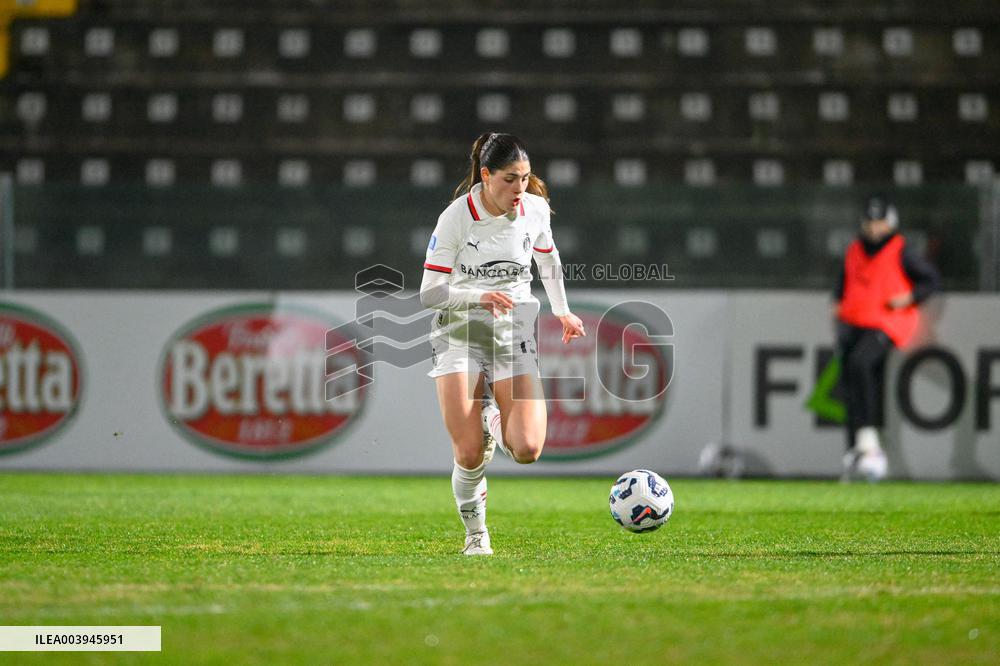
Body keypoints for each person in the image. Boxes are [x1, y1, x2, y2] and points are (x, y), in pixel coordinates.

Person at [419, 132, 586, 555]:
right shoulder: (456, 217)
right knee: (470, 451)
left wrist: (563, 311)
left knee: (527, 449)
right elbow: (429, 292)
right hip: (459, 329)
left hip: (513, 330)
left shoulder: (535, 210)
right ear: (486, 174)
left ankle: (491, 414)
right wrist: (479, 296)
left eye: (526, 179)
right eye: (511, 179)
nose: (520, 189)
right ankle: (477, 536)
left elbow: (548, 259)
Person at [833, 194, 940, 481]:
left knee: (860, 364)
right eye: (870, 221)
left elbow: (930, 280)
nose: (874, 228)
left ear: (890, 223)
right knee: (850, 385)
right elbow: (842, 284)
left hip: (886, 322)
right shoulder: (854, 249)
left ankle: (869, 443)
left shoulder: (900, 250)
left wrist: (910, 297)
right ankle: (855, 452)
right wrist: (838, 307)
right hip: (853, 323)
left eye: (879, 222)